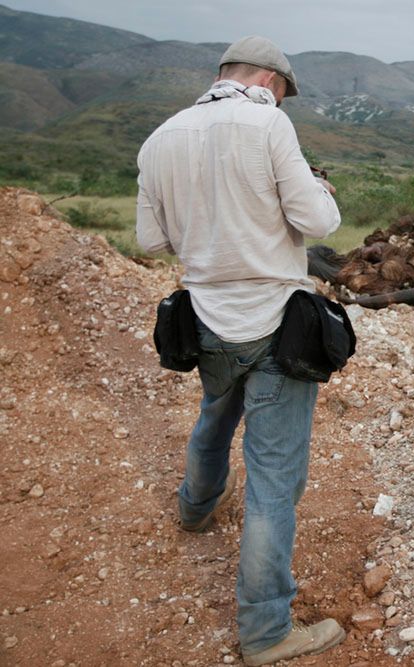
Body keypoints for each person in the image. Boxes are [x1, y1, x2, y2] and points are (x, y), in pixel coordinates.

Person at [136, 36, 344, 666]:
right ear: (269, 80)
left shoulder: (160, 137)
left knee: (215, 413)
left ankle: (195, 508)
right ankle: (265, 631)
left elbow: (150, 239)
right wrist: (319, 189)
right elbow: (319, 223)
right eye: (283, 90)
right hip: (276, 319)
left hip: (207, 317)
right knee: (275, 481)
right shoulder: (268, 123)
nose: (281, 98)